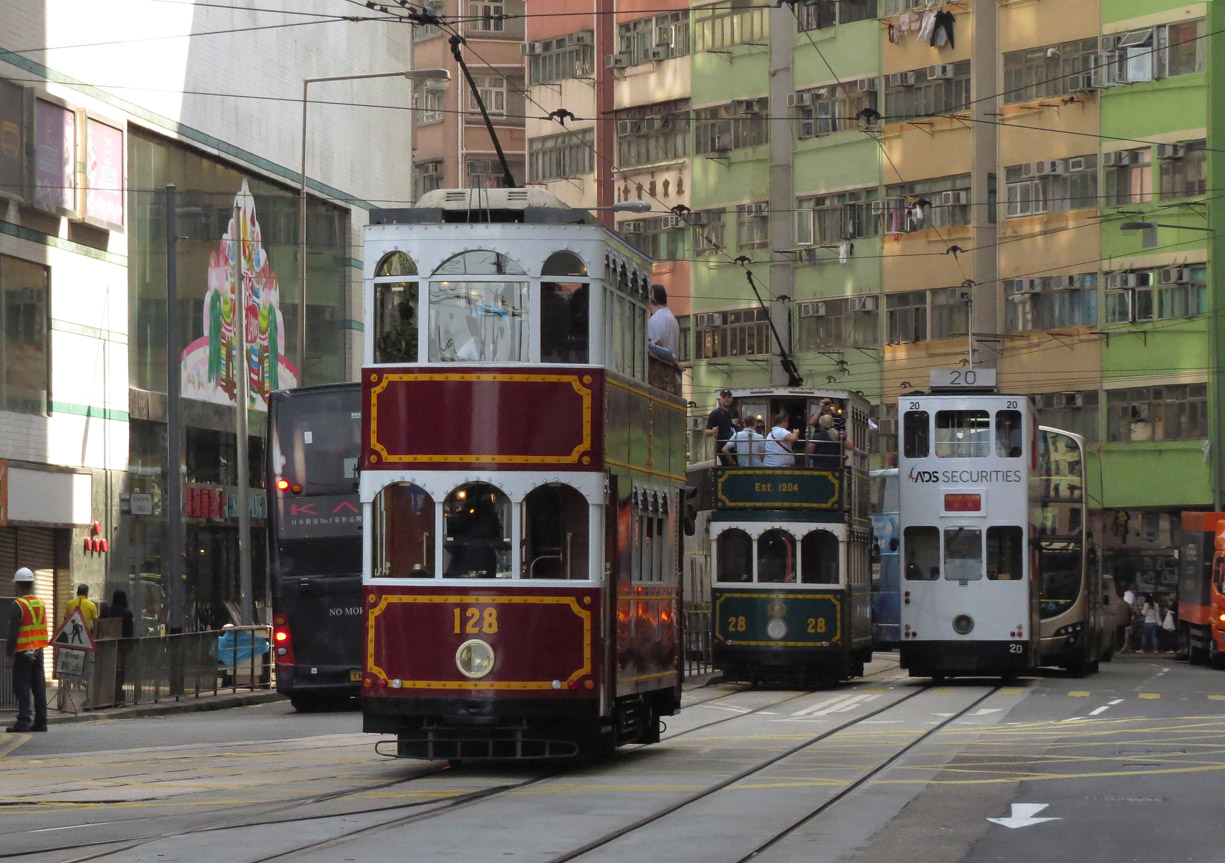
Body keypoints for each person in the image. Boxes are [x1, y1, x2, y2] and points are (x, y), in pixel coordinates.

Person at [5, 567, 49, 732]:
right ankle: (41, 721)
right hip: (38, 650)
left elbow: (13, 632)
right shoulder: (41, 603)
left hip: (23, 651)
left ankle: (23, 720)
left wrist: (8, 655)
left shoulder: (18, 605)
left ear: (18, 585)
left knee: (21, 686)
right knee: (39, 687)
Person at [705, 389, 740, 466]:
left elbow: (736, 426)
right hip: (722, 447)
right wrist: (713, 432)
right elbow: (706, 432)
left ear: (732, 399)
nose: (726, 399)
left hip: (735, 447)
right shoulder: (715, 414)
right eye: (724, 397)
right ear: (720, 399)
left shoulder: (734, 412)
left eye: (728, 397)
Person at [647, 284, 679, 357]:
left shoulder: (655, 320)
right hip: (669, 365)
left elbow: (655, 347)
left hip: (658, 365)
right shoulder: (672, 318)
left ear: (653, 300)